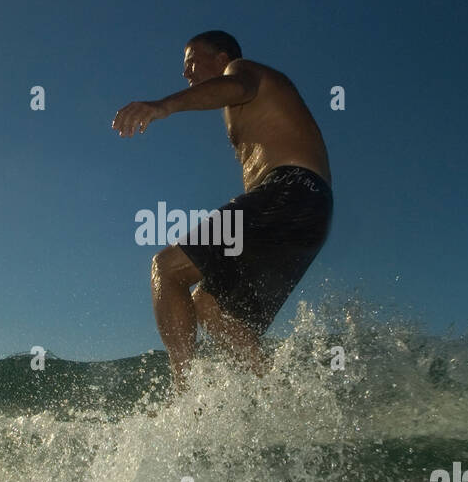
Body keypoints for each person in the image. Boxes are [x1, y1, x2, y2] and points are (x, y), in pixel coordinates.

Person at [113, 31, 333, 391]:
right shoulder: (250, 106)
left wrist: (161, 106)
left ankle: (185, 401)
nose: (186, 74)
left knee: (167, 268)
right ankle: (280, 403)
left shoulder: (242, 70)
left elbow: (235, 86)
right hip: (307, 212)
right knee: (213, 310)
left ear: (221, 58)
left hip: (291, 189)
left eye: (191, 62)